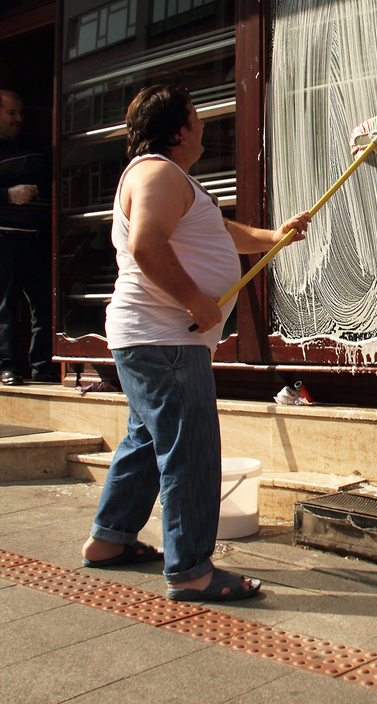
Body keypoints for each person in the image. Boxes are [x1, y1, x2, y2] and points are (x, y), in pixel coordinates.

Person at [81, 85, 311, 603]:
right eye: (198, 118)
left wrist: (275, 235)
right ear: (179, 129)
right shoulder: (158, 173)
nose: (205, 126)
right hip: (164, 339)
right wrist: (195, 302)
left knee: (145, 441)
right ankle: (191, 572)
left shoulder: (166, 177)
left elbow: (222, 233)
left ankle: (109, 540)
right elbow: (145, 245)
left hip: (153, 340)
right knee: (190, 448)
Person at [0, 89, 57, 386]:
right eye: (11, 113)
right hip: (6, 237)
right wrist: (8, 194)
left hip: (38, 237)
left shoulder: (35, 144)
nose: (19, 119)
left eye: (21, 112)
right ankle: (8, 367)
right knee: (5, 306)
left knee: (44, 304)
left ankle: (44, 365)